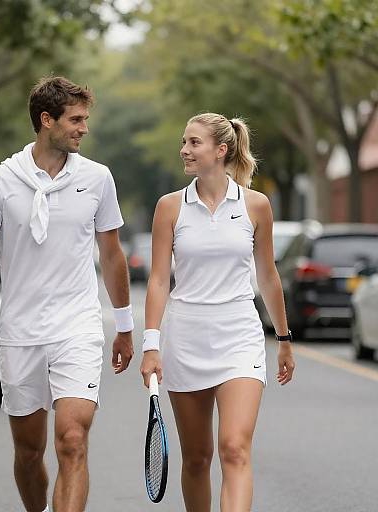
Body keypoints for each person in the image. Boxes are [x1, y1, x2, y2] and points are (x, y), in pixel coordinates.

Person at [0, 76, 134, 512]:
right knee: (29, 451)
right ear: (46, 120)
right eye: (76, 119)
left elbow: (111, 256)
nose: (83, 129)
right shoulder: (0, 180)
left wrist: (126, 327)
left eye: (85, 119)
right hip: (20, 332)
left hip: (77, 328)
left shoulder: (97, 178)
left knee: (72, 439)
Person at [140, 113, 295, 512]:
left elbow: (268, 276)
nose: (184, 150)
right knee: (196, 458)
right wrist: (151, 345)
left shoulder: (256, 205)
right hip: (186, 338)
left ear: (221, 150)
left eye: (194, 143)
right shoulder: (169, 207)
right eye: (184, 142)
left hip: (239, 337)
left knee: (235, 449)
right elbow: (159, 281)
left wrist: (283, 337)